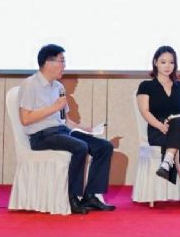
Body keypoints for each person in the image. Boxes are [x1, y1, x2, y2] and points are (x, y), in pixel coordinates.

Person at [18, 44, 115, 214]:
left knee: (104, 146)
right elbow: (25, 119)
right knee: (80, 147)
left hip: (61, 131)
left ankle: (90, 196)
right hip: (41, 135)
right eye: (61, 61)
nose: (64, 66)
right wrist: (53, 107)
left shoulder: (58, 87)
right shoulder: (30, 84)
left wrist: (86, 129)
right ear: (48, 63)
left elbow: (66, 121)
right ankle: (71, 198)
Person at [136, 46, 180, 209]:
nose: (167, 66)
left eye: (171, 62)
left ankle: (167, 162)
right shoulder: (146, 86)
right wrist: (160, 126)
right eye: (163, 62)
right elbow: (144, 111)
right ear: (155, 63)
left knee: (178, 124)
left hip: (177, 128)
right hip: (157, 130)